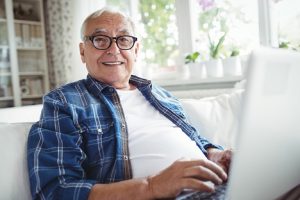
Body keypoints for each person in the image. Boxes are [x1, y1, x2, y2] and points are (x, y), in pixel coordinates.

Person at [27, 7, 232, 200]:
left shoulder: (162, 95)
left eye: (123, 40)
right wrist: (152, 186)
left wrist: (214, 154)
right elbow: (54, 190)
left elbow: (194, 138)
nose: (114, 49)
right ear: (82, 51)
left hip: (217, 188)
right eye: (100, 39)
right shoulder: (63, 102)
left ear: (136, 49)